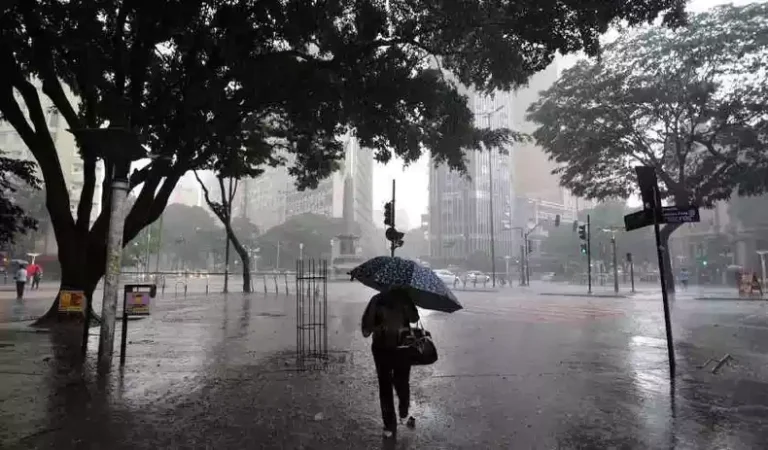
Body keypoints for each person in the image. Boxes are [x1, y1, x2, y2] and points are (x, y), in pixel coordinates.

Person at [362, 288, 419, 438]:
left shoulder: (399, 298)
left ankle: (399, 414)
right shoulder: (378, 300)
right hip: (387, 348)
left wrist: (406, 304)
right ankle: (393, 420)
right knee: (389, 384)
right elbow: (367, 326)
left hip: (396, 347)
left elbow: (414, 318)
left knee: (395, 383)